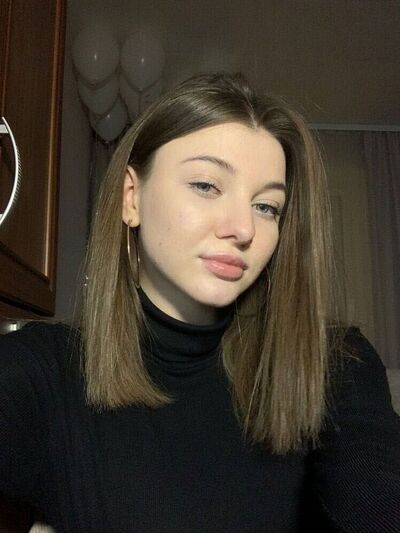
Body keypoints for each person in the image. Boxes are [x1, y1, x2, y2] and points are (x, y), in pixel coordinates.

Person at [0, 72, 399, 532]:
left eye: (267, 206)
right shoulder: (44, 372)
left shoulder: (334, 365)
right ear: (132, 198)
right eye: (207, 186)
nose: (243, 228)